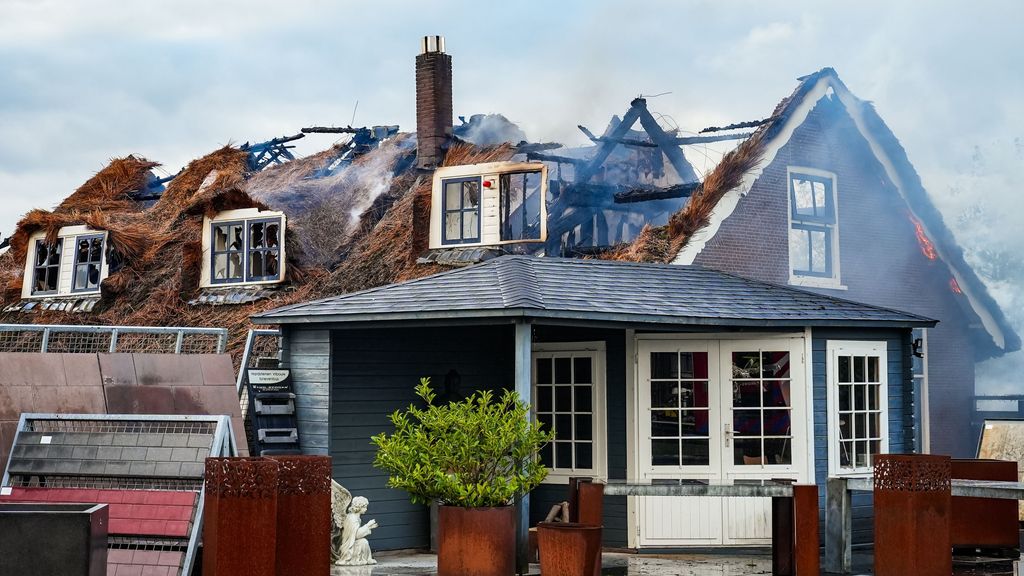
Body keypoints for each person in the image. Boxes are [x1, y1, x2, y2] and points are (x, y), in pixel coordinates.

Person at [337, 496, 378, 566]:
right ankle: (357, 559)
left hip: (352, 542)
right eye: (364, 507)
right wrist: (368, 525)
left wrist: (369, 527)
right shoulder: (353, 518)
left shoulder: (356, 517)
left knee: (363, 541)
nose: (366, 509)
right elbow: (356, 535)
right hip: (348, 546)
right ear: (359, 507)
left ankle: (366, 559)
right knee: (363, 542)